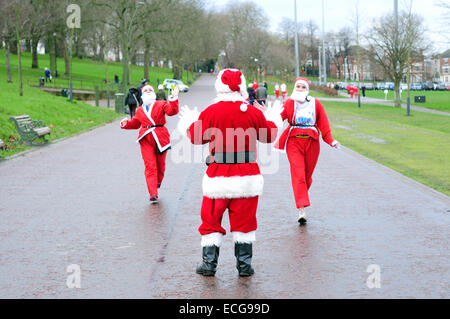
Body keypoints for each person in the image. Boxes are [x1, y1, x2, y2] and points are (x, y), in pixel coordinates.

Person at [177, 68, 281, 277]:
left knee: (211, 220)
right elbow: (269, 135)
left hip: (219, 175)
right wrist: (272, 117)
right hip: (246, 175)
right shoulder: (252, 112)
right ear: (241, 87)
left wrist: (188, 122)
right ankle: (244, 266)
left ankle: (209, 265)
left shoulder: (211, 111)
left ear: (219, 86)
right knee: (245, 222)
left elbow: (196, 138)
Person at [273, 77, 339, 225]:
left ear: (307, 89)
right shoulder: (289, 102)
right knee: (298, 175)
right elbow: (278, 118)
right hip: (294, 142)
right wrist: (267, 114)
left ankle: (301, 196)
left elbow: (324, 124)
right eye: (298, 87)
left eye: (303, 87)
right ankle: (301, 210)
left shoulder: (316, 104)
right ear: (294, 88)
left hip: (312, 143)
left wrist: (331, 140)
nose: (300, 89)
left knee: (306, 177)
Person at [120, 85, 179, 203]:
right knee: (150, 166)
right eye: (145, 90)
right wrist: (126, 124)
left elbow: (172, 111)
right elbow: (136, 124)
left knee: (160, 165)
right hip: (145, 139)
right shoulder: (140, 109)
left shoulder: (161, 104)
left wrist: (174, 97)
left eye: (150, 90)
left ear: (153, 93)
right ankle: (153, 193)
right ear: (142, 94)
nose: (148, 92)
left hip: (160, 137)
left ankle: (158, 180)